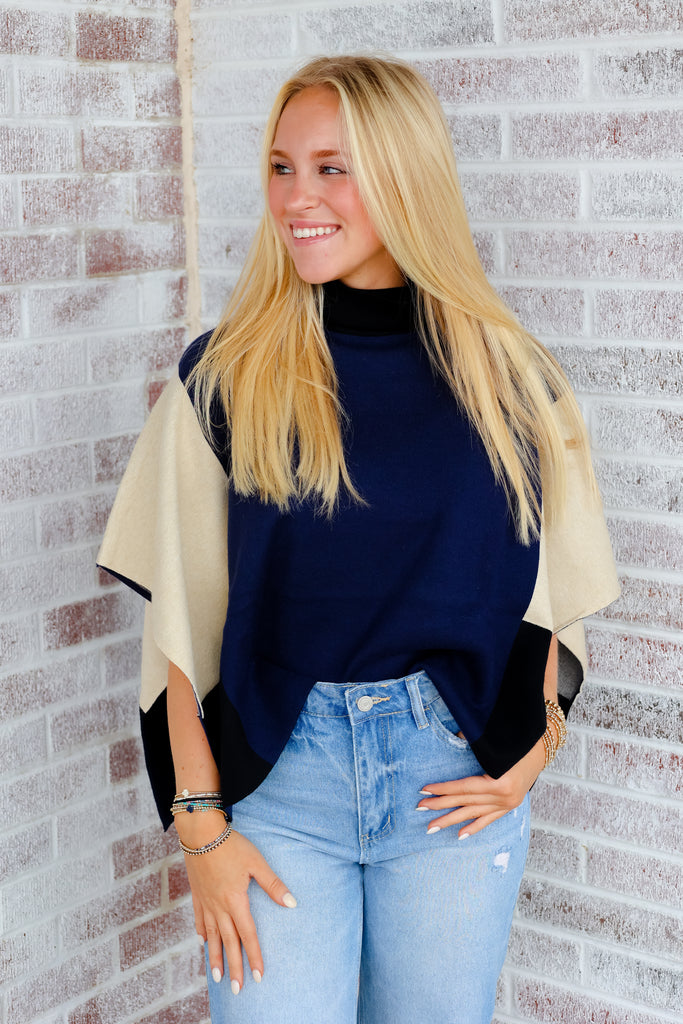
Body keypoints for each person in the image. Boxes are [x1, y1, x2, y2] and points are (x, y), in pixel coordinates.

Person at [98, 54, 619, 1024]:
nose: (296, 197)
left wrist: (534, 747)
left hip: (445, 781)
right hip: (276, 788)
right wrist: (199, 827)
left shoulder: (509, 378)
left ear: (403, 176)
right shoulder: (224, 376)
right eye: (282, 166)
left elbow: (549, 588)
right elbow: (181, 625)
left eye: (331, 168)